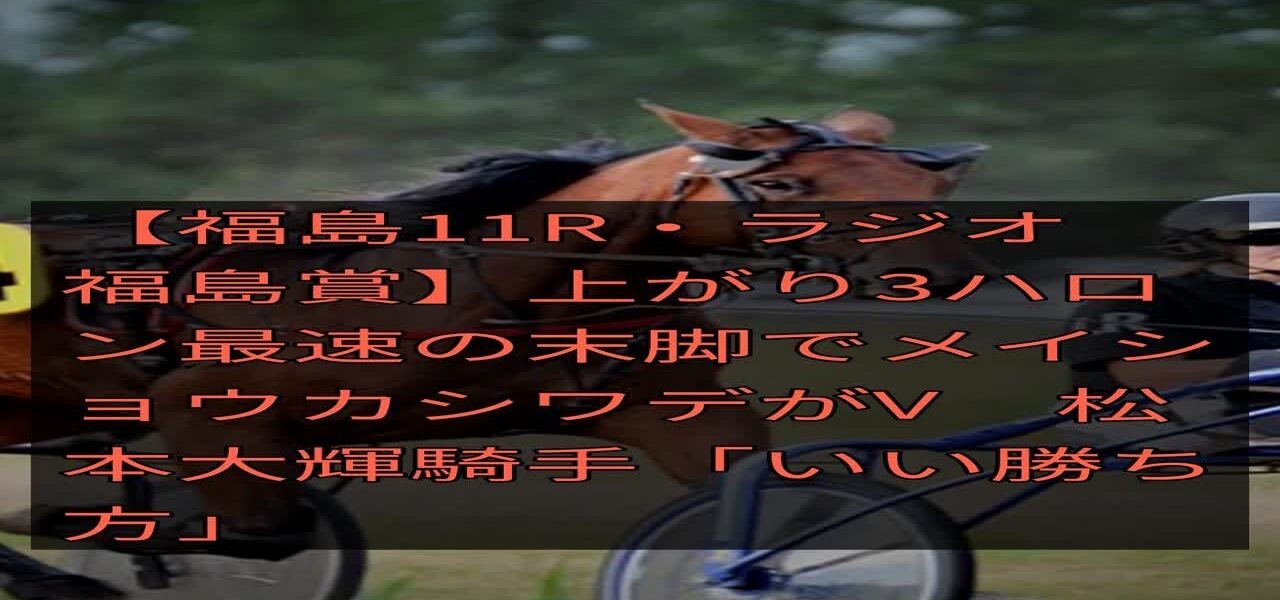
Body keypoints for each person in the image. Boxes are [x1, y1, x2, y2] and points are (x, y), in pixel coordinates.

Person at [1061, 192, 1280, 448]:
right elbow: (1138, 373)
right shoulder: (1148, 298)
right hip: (1158, 419)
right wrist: (1257, 365)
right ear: (1211, 245)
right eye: (1269, 237)